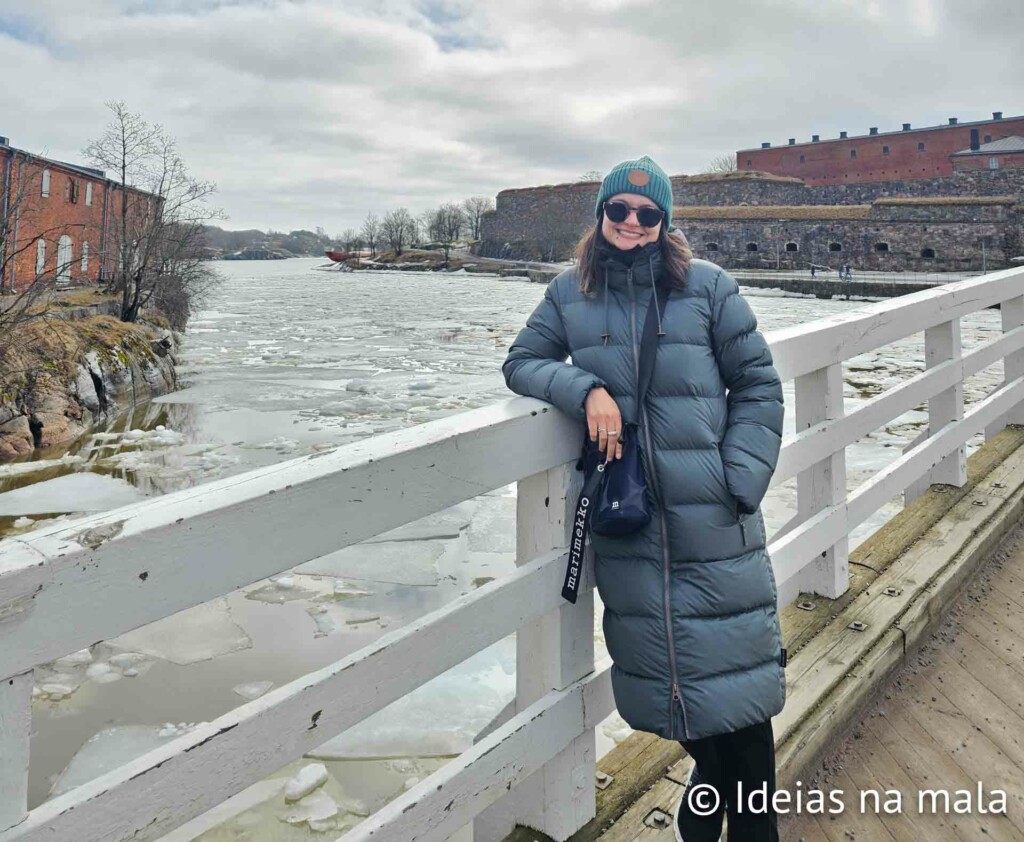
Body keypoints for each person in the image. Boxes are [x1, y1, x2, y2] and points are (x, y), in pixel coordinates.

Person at [503, 156, 785, 842]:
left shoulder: (710, 289)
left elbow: (758, 385)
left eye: (648, 214)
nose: (632, 224)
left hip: (715, 524)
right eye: (619, 211)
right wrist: (586, 389)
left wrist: (738, 481)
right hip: (631, 532)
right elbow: (521, 362)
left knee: (744, 712)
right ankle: (705, 813)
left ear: (664, 223)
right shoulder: (570, 292)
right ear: (600, 216)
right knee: (677, 697)